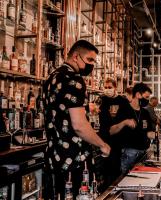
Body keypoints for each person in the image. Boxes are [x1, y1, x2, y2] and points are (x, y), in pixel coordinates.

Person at [43, 40, 111, 199]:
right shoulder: (75, 80)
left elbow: (61, 111)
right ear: (75, 56)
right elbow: (79, 125)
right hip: (74, 159)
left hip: (53, 157)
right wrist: (103, 145)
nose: (92, 65)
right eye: (89, 60)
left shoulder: (51, 77)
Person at [109, 82, 153, 173]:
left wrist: (158, 135)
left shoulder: (145, 112)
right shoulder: (124, 109)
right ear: (138, 94)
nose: (147, 100)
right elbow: (111, 131)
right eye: (146, 97)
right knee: (126, 181)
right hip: (129, 153)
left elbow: (148, 132)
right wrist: (125, 122)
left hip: (144, 152)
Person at [98, 78, 130, 189]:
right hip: (103, 139)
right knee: (104, 168)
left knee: (116, 168)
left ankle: (114, 190)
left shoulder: (123, 101)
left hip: (118, 140)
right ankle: (104, 191)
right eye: (105, 88)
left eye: (109, 87)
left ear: (115, 87)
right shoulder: (101, 100)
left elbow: (126, 120)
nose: (107, 90)